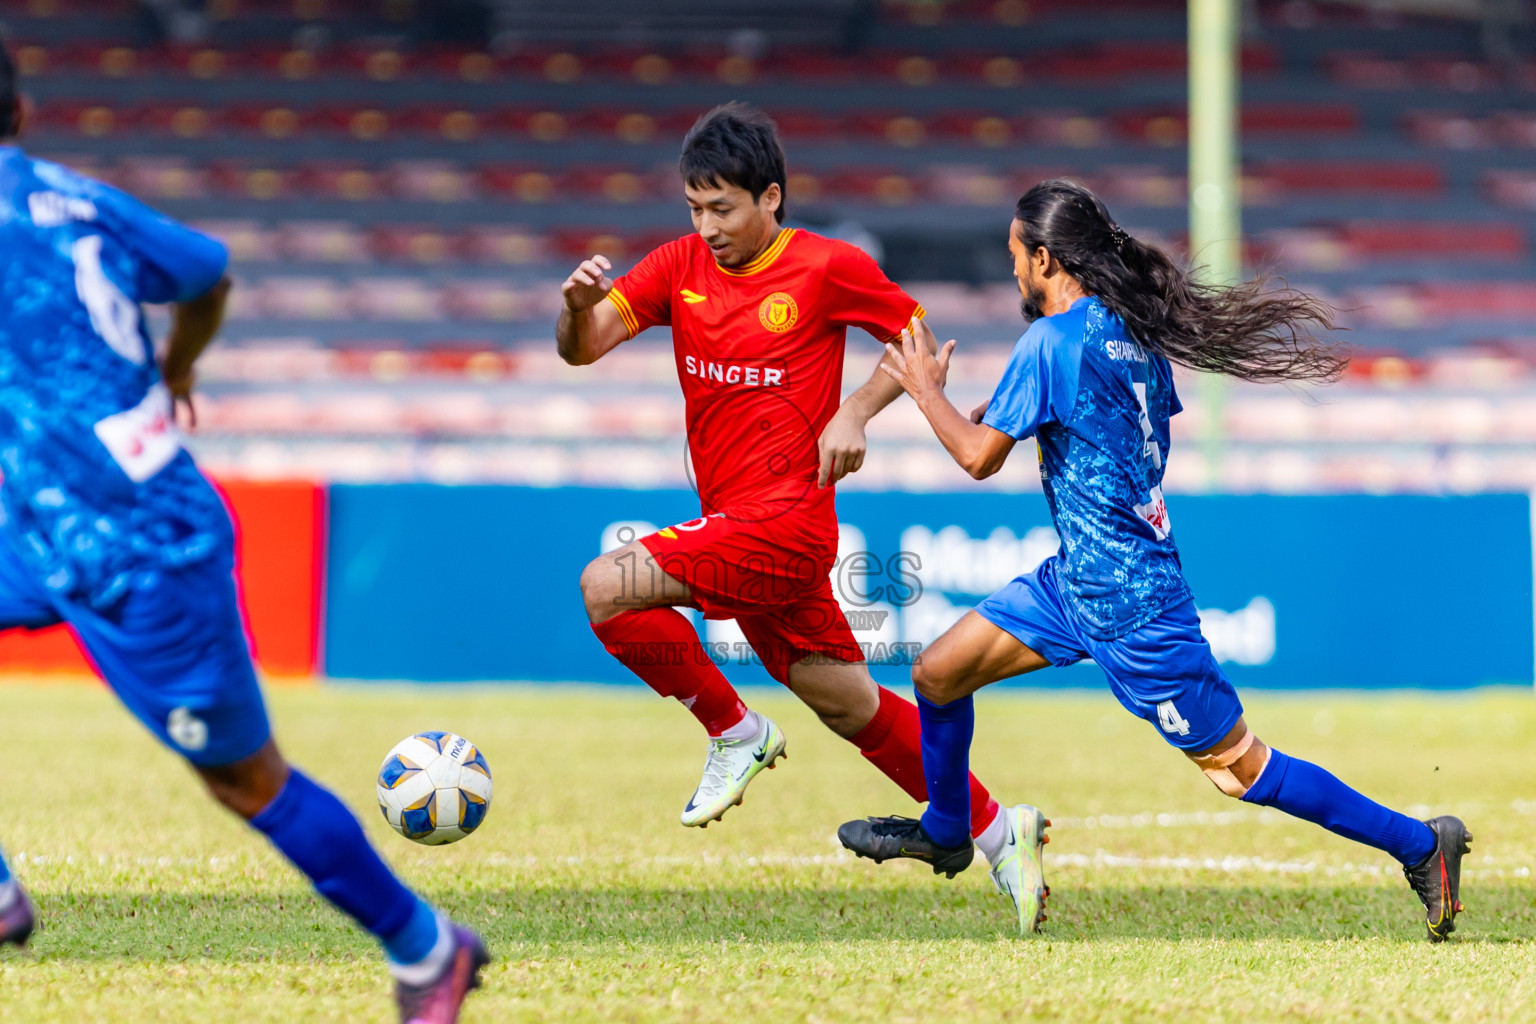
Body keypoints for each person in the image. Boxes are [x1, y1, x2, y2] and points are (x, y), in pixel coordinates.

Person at [838, 179, 1471, 942]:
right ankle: (947, 830)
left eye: (1015, 257)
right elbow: (1124, 431)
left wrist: (925, 391)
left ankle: (1421, 844)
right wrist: (1022, 412)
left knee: (1240, 770)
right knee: (939, 671)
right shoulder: (1126, 330)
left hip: (1133, 604)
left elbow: (977, 459)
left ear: (1045, 258)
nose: (1012, 272)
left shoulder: (1050, 340)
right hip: (1081, 581)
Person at [0, 43, 489, 1020]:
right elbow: (206, 271)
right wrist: (178, 367)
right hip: (38, 522)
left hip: (140, 544)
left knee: (243, 779)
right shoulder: (71, 198)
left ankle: (427, 945)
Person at [557, 103, 1049, 932]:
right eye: (694, 207)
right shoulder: (677, 265)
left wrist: (857, 409)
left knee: (607, 585)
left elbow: (918, 334)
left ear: (771, 198)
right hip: (740, 525)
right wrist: (576, 307)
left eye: (723, 208)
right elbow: (584, 346)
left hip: (786, 522)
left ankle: (732, 730)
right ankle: (1004, 834)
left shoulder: (825, 268)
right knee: (849, 704)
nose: (706, 226)